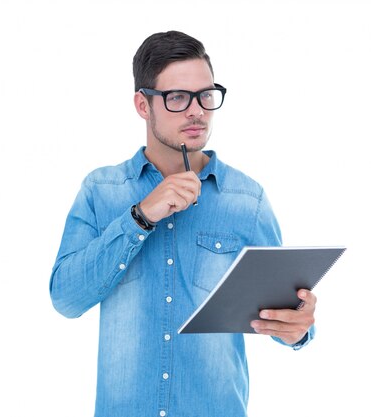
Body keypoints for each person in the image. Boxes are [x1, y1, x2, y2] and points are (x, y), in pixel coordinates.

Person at [50, 30, 317, 417]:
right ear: (143, 104)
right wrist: (140, 217)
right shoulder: (101, 190)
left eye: (205, 95)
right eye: (177, 97)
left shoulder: (246, 200)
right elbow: (66, 300)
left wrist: (299, 329)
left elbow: (283, 314)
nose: (197, 111)